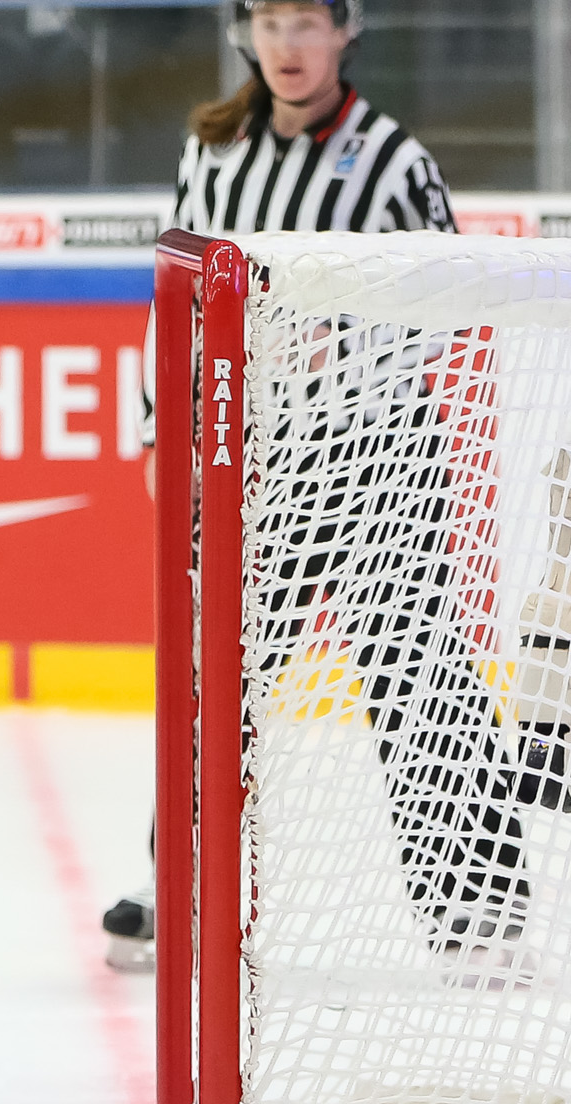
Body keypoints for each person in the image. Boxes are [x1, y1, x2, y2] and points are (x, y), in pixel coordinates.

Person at [103, 0, 529, 972]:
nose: (286, 44)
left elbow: (448, 295)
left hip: (381, 464)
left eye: (307, 22)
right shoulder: (209, 151)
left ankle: (475, 904)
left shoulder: (391, 158)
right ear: (242, 32)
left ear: (344, 33)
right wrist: (156, 423)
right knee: (215, 674)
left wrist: (350, 354)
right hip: (255, 463)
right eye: (269, 21)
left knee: (422, 681)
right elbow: (169, 298)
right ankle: (183, 881)